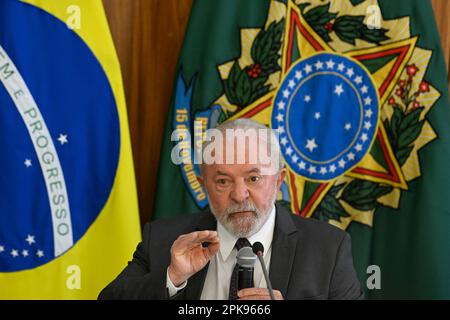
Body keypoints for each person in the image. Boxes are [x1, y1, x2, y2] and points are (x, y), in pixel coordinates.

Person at [98, 118, 363, 300]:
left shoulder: (328, 248)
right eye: (223, 181)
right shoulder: (164, 239)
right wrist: (172, 278)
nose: (239, 195)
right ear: (203, 185)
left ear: (279, 180)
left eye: (253, 178)